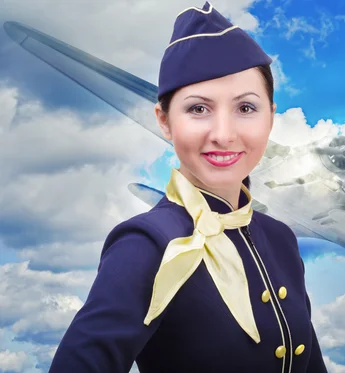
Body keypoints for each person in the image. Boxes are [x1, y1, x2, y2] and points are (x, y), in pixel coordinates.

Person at [48, 2, 328, 372]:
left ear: (271, 116)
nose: (224, 135)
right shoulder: (146, 242)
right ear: (164, 121)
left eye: (246, 108)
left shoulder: (280, 239)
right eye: (198, 109)